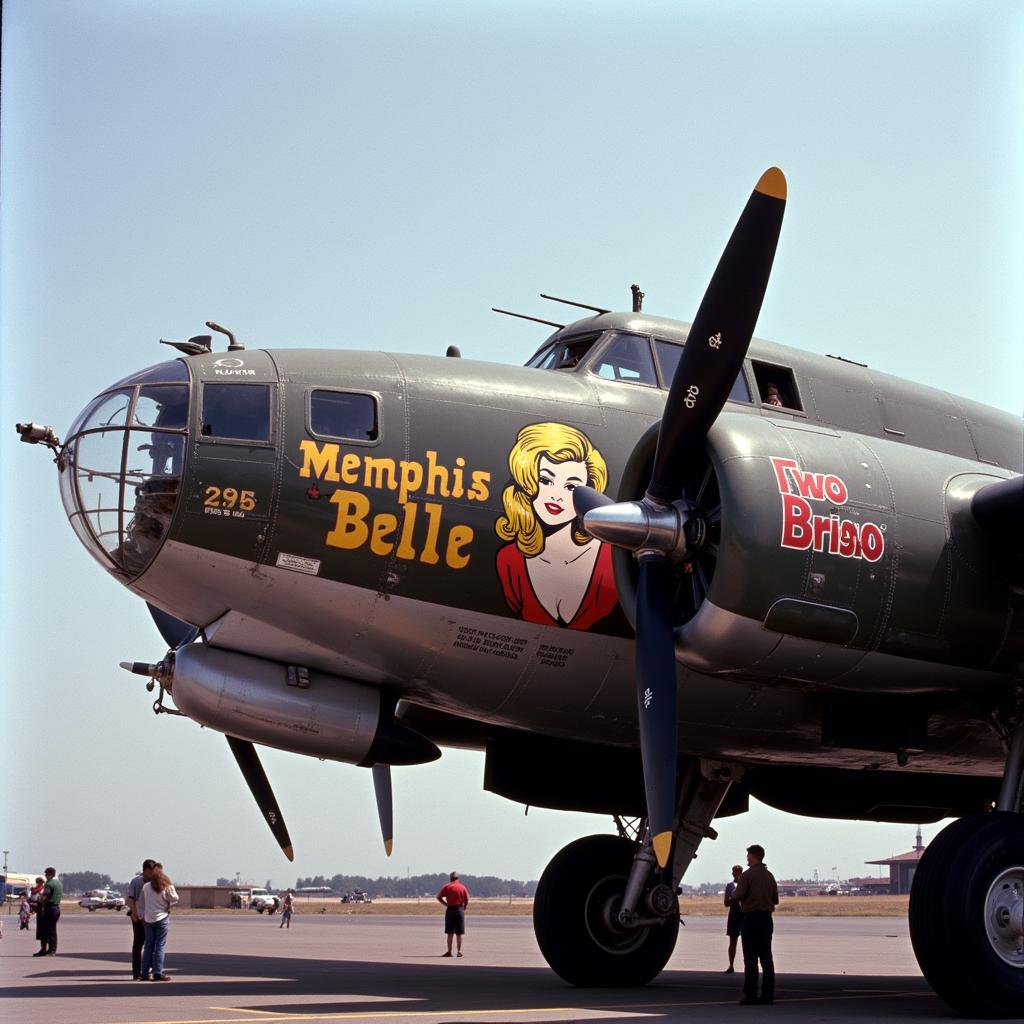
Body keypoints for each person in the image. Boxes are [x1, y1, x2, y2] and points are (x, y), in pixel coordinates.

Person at [495, 422, 619, 631]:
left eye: (571, 486)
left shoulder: (614, 557)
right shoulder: (509, 561)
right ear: (527, 482)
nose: (556, 495)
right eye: (545, 480)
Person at [734, 844, 779, 1005]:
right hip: (766, 919)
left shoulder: (747, 876)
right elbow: (775, 899)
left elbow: (737, 895)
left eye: (748, 856)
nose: (747, 858)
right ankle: (768, 995)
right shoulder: (769, 875)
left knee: (750, 959)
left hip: (751, 919)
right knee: (767, 958)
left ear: (753, 856)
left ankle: (751, 995)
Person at [138, 866, 179, 981]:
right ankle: (157, 972)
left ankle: (144, 973)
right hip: (162, 918)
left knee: (148, 946)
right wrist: (170, 889)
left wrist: (141, 914)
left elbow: (141, 902)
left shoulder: (146, 887)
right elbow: (175, 898)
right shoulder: (166, 887)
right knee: (159, 946)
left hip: (148, 919)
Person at [126, 859, 157, 979]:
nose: (152, 874)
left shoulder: (154, 882)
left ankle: (147, 968)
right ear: (145, 870)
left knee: (150, 944)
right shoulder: (136, 881)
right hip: (138, 916)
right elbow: (131, 899)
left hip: (150, 917)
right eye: (151, 871)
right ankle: (136, 971)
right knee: (138, 944)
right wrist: (134, 914)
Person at [436, 871, 470, 957]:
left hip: (450, 909)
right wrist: (464, 906)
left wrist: (445, 904)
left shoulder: (447, 886)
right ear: (458, 878)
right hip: (459, 909)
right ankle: (459, 951)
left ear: (451, 878)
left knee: (450, 932)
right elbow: (467, 899)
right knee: (459, 933)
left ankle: (449, 951)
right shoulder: (462, 887)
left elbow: (439, 897)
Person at [33, 867, 62, 956]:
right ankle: (48, 950)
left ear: (51, 874)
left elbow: (45, 896)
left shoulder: (49, 884)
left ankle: (51, 950)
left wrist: (38, 900)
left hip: (49, 908)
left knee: (49, 930)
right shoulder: (58, 883)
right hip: (56, 908)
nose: (45, 875)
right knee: (51, 929)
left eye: (46, 873)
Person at [724, 863, 744, 973]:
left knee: (747, 940)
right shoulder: (730, 886)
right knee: (733, 941)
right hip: (734, 914)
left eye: (735, 871)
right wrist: (735, 899)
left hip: (744, 913)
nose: (733, 873)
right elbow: (726, 903)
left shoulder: (746, 884)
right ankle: (731, 965)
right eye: (733, 871)